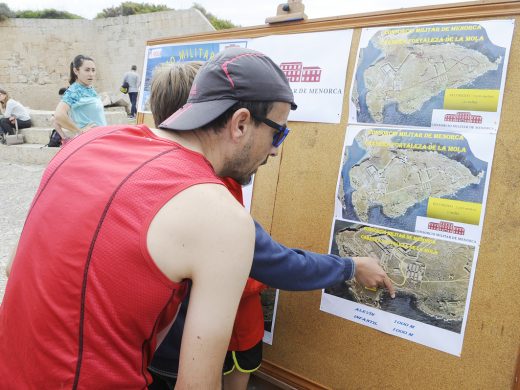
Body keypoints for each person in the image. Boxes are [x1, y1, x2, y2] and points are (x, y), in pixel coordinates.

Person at [146, 62, 395, 390]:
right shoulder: (214, 201)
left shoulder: (150, 168)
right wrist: (351, 265)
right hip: (196, 350)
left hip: (155, 351)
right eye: (276, 133)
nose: (275, 150)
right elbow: (275, 262)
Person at [54, 54, 107, 140]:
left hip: (100, 138)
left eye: (93, 70)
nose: (91, 74)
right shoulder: (74, 91)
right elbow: (58, 115)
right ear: (76, 71)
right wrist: (79, 131)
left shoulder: (89, 88)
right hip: (89, 140)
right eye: (87, 70)